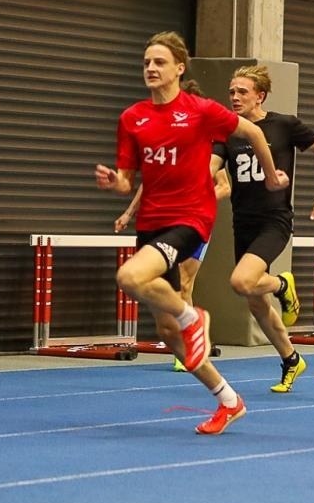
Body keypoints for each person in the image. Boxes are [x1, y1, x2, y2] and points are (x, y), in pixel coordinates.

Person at [95, 33, 288, 434]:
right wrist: (114, 182)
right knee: (168, 333)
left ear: (179, 69)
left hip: (190, 217)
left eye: (159, 62)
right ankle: (229, 400)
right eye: (146, 61)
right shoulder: (132, 118)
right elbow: (129, 181)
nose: (151, 68)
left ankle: (192, 314)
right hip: (152, 221)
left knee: (130, 277)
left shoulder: (201, 111)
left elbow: (252, 134)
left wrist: (271, 178)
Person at [215, 64, 314, 394]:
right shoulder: (228, 132)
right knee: (255, 302)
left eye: (242, 92)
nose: (234, 97)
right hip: (244, 221)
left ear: (260, 96)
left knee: (241, 281)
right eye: (231, 91)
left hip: (275, 220)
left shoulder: (283, 125)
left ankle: (282, 284)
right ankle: (292, 359)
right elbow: (212, 165)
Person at [112, 80, 230, 372]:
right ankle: (185, 332)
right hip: (163, 219)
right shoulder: (166, 141)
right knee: (166, 285)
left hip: (193, 220)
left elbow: (224, 187)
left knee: (187, 282)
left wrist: (199, 198)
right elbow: (147, 184)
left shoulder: (207, 144)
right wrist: (128, 213)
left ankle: (191, 330)